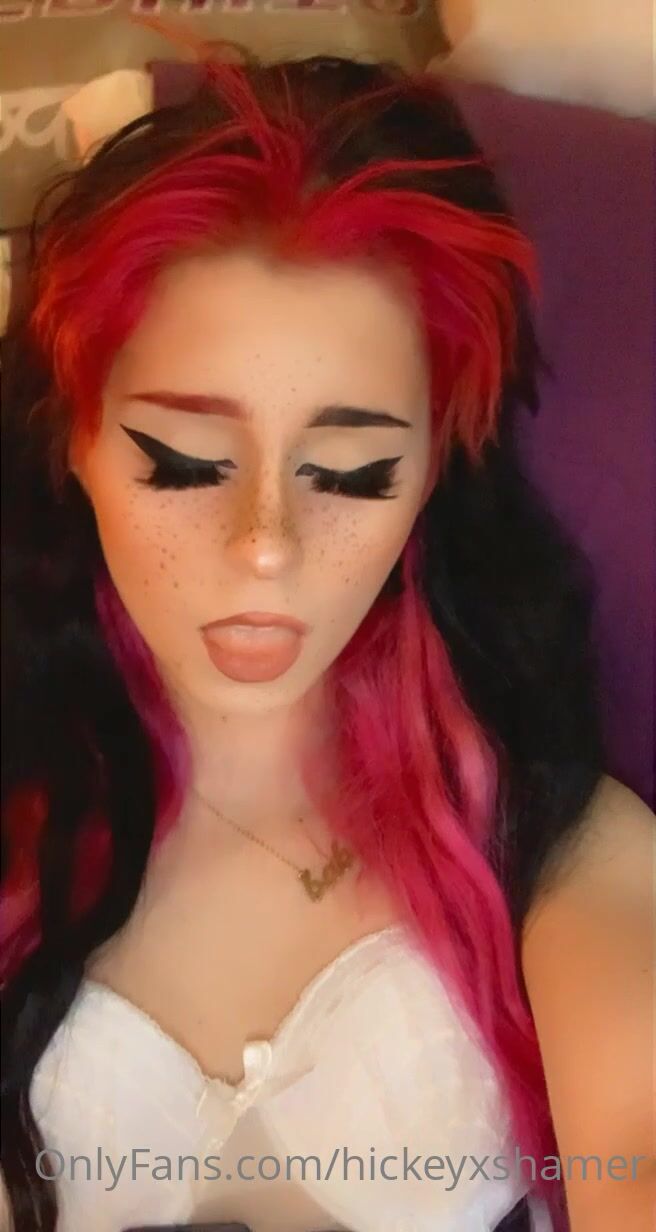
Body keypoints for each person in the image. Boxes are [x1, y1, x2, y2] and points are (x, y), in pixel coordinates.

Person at [1, 53, 653, 1232]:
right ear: (74, 441)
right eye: (183, 463)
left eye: (350, 472)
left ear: (429, 477)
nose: (265, 545)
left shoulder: (550, 848)